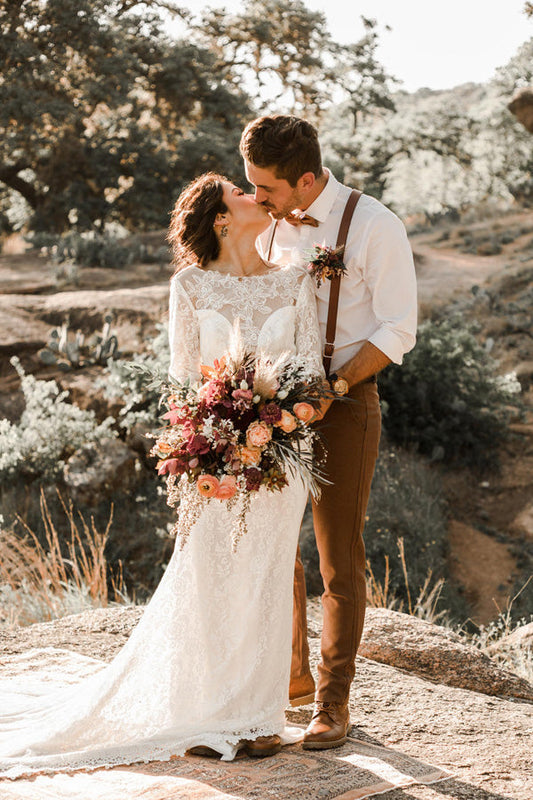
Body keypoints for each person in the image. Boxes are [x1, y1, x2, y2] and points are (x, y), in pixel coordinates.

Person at [0, 173, 325, 779]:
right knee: (210, 572)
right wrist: (207, 447)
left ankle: (258, 718)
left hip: (282, 456)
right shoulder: (191, 285)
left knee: (265, 571)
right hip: (211, 453)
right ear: (221, 219)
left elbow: (305, 368)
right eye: (238, 191)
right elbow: (181, 382)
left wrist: (280, 427)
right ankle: (208, 711)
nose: (254, 193)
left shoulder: (296, 280)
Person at [240, 115, 417, 749]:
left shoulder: (375, 225)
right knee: (271, 550)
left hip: (347, 403)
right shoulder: (265, 229)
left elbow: (400, 328)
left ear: (308, 179)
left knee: (338, 558)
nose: (257, 199)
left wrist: (334, 387)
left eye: (268, 188)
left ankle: (331, 702)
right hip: (270, 415)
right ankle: (283, 685)